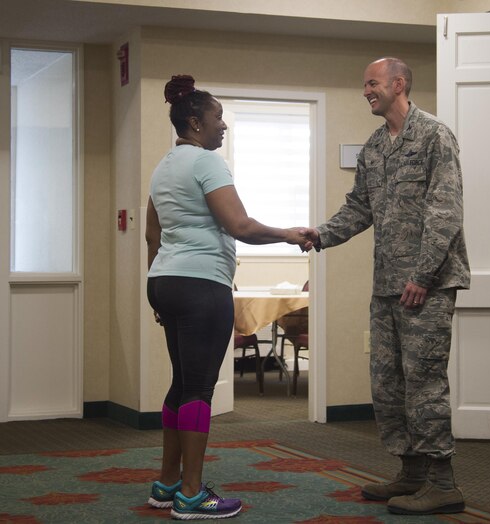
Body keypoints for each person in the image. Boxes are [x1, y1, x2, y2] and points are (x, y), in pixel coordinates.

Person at [303, 57, 470, 516]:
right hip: (387, 287)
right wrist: (320, 235)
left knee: (424, 384)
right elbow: (359, 207)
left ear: (398, 84)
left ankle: (443, 482)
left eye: (372, 84)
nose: (366, 92)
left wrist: (423, 275)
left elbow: (446, 211)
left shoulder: (435, 135)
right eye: (364, 85)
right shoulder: (375, 147)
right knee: (388, 383)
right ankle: (411, 471)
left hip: (427, 287)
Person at [145, 75, 308, 520]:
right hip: (201, 284)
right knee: (199, 388)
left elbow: (151, 234)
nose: (224, 126)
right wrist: (289, 234)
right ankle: (192, 494)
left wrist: (159, 290)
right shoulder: (207, 163)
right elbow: (241, 226)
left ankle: (166, 484)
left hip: (165, 281)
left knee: (181, 382)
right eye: (218, 118)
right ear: (195, 122)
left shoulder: (164, 165)